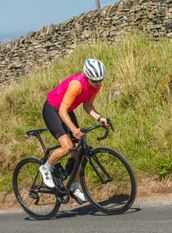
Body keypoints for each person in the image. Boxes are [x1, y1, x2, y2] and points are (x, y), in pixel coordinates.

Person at [39, 58, 109, 202]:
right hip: (53, 109)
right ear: (87, 76)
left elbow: (88, 105)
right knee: (68, 147)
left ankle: (74, 187)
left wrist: (99, 118)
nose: (98, 84)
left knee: (78, 152)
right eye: (95, 81)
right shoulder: (77, 84)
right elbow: (62, 111)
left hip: (66, 109)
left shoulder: (96, 85)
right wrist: (74, 129)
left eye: (100, 80)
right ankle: (46, 167)